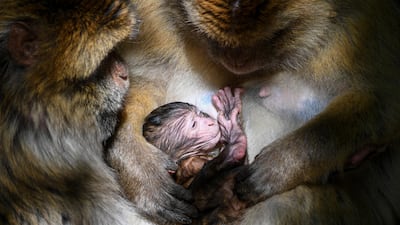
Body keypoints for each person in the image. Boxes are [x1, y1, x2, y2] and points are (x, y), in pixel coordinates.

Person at [142, 87, 247, 188]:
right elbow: (237, 155)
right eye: (194, 125)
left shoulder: (195, 163)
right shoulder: (189, 166)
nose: (209, 121)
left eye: (200, 114)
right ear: (175, 156)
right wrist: (234, 134)